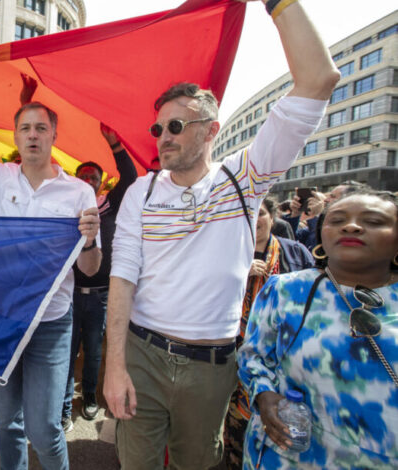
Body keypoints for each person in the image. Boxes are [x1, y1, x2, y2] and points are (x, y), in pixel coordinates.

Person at [102, 1, 340, 468]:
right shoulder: (141, 193)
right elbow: (122, 279)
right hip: (142, 353)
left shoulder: (242, 179)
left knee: (198, 463)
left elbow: (318, 80)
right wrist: (114, 368)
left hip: (211, 366)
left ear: (211, 130)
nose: (162, 137)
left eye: (175, 126)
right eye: (157, 128)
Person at [0, 48, 101, 470]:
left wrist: (88, 241)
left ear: (53, 136)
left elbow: (89, 270)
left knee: (45, 429)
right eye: (25, 128)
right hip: (2, 318)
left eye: (40, 128)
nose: (32, 135)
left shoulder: (78, 193)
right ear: (15, 137)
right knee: (7, 421)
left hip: (50, 325)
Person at [238, 189, 398, 469]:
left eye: (372, 221)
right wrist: (263, 394)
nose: (351, 226)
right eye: (337, 220)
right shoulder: (285, 290)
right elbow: (253, 356)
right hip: (290, 454)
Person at [221, 197, 314, 469]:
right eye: (247, 214)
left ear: (272, 218)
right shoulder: (227, 253)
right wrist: (239, 275)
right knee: (235, 424)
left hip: (283, 355)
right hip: (233, 351)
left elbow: (312, 296)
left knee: (280, 428)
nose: (254, 219)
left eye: (260, 213)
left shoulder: (295, 252)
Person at [62, 125, 137, 430]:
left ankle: (89, 397)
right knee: (66, 353)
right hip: (68, 294)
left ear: (101, 182)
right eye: (83, 176)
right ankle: (65, 407)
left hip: (101, 296)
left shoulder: (109, 207)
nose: (88, 180)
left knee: (93, 351)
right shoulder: (64, 208)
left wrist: (116, 144)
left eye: (94, 177)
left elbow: (130, 178)